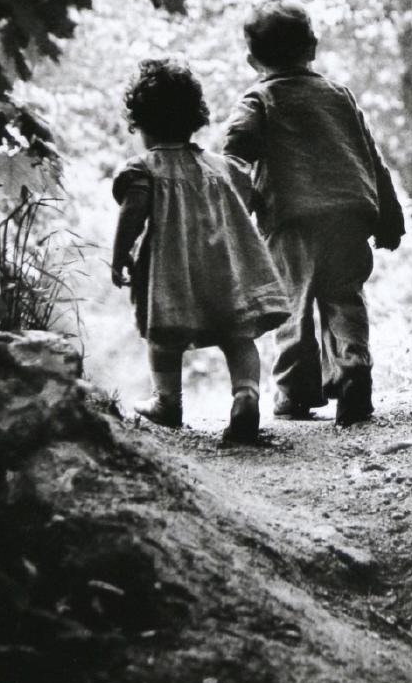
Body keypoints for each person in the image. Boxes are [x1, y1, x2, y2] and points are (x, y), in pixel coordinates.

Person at [223, 0, 405, 427]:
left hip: (292, 222)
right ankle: (354, 367)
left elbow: (235, 151)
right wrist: (389, 217)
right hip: (349, 215)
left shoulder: (259, 100)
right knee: (345, 297)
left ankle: (294, 392)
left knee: (292, 306)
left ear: (252, 60)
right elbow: (371, 157)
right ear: (314, 46)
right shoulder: (340, 96)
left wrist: (236, 205)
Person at [111, 57, 289, 443]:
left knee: (163, 339)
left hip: (171, 275)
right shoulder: (221, 167)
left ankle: (168, 403)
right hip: (228, 270)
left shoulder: (144, 169)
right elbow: (248, 197)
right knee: (239, 336)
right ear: (195, 117)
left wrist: (119, 255)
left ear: (140, 125)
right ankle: (246, 395)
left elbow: (132, 214)